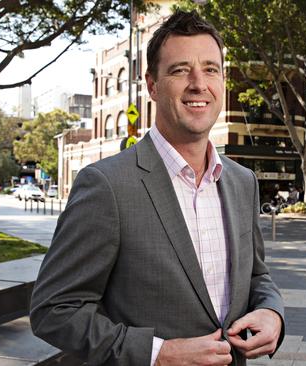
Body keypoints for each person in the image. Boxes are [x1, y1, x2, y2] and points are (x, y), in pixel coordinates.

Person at [29, 11, 284, 366]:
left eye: (211, 69)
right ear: (152, 85)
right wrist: (157, 354)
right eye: (180, 70)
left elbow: (257, 276)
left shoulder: (243, 182)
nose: (199, 83)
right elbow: (54, 310)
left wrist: (273, 313)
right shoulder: (106, 185)